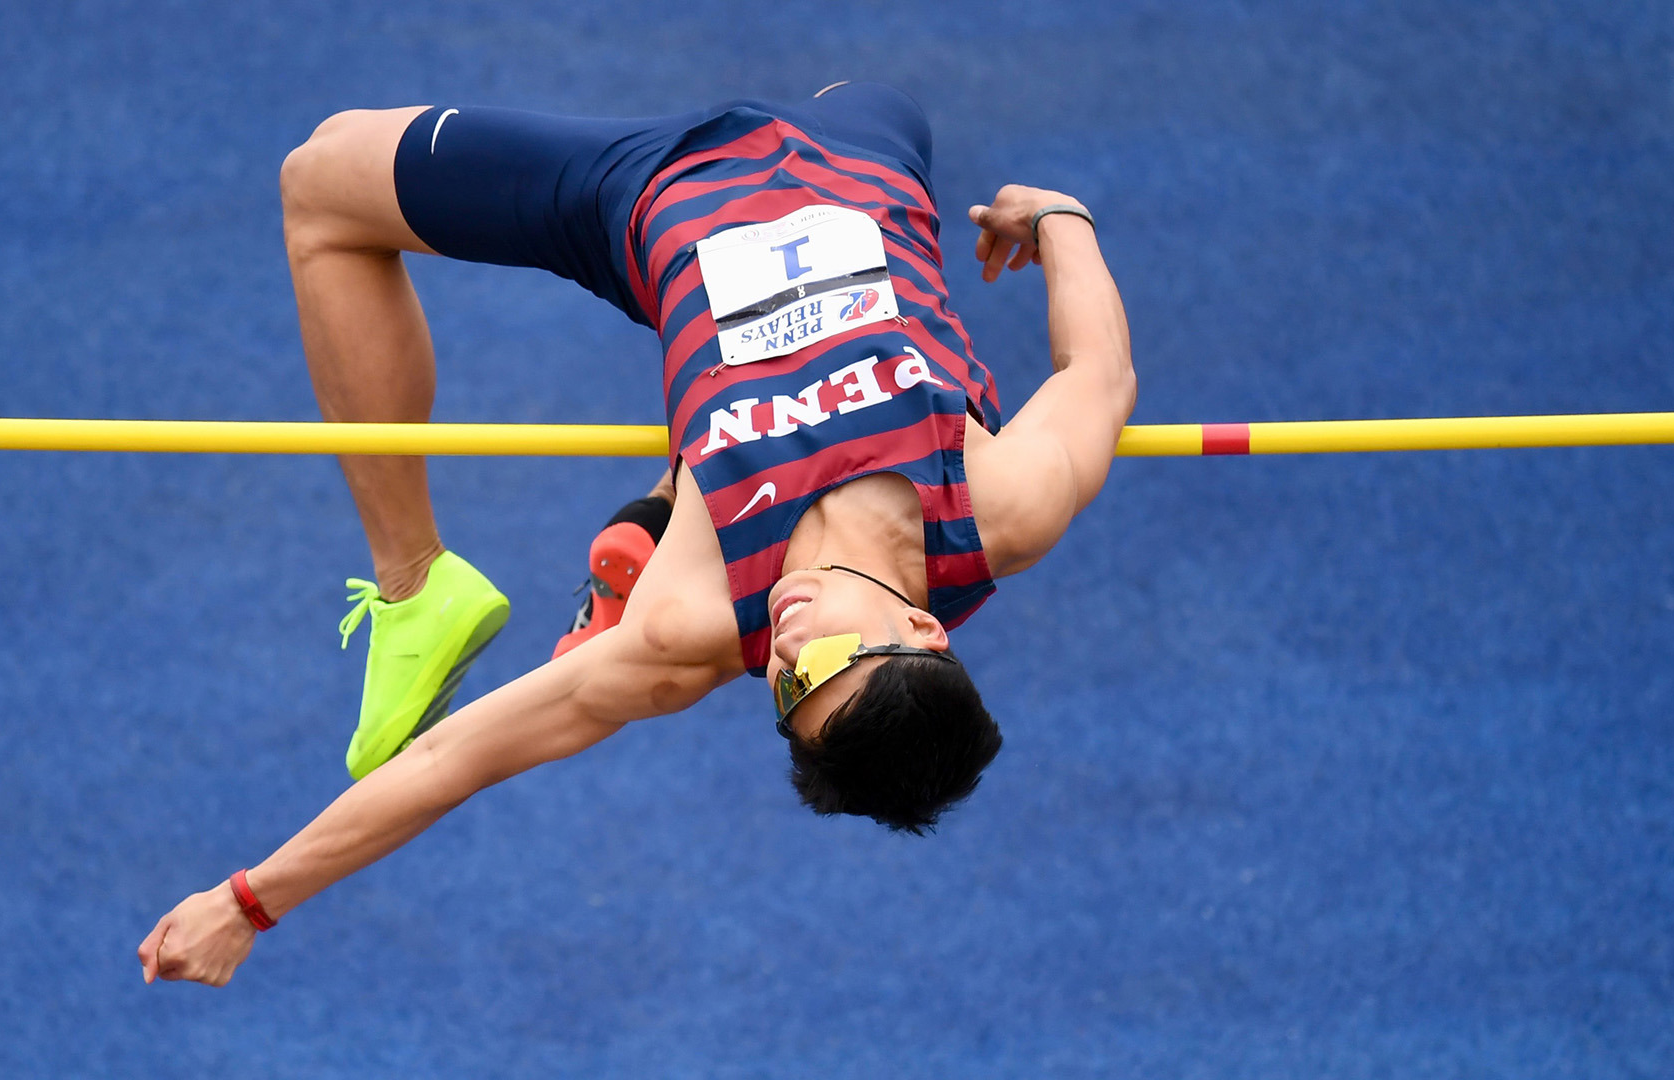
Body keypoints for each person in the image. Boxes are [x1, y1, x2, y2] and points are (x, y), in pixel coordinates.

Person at [139, 82, 1134, 986]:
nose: (785, 651)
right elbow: (1100, 372)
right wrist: (1056, 217)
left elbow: (457, 759)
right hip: (861, 148)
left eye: (785, 691)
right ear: (925, 632)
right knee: (886, 96)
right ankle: (656, 504)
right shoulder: (1003, 500)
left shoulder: (698, 618)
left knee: (319, 180)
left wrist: (250, 900)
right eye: (825, 659)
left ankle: (418, 585)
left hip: (654, 192)